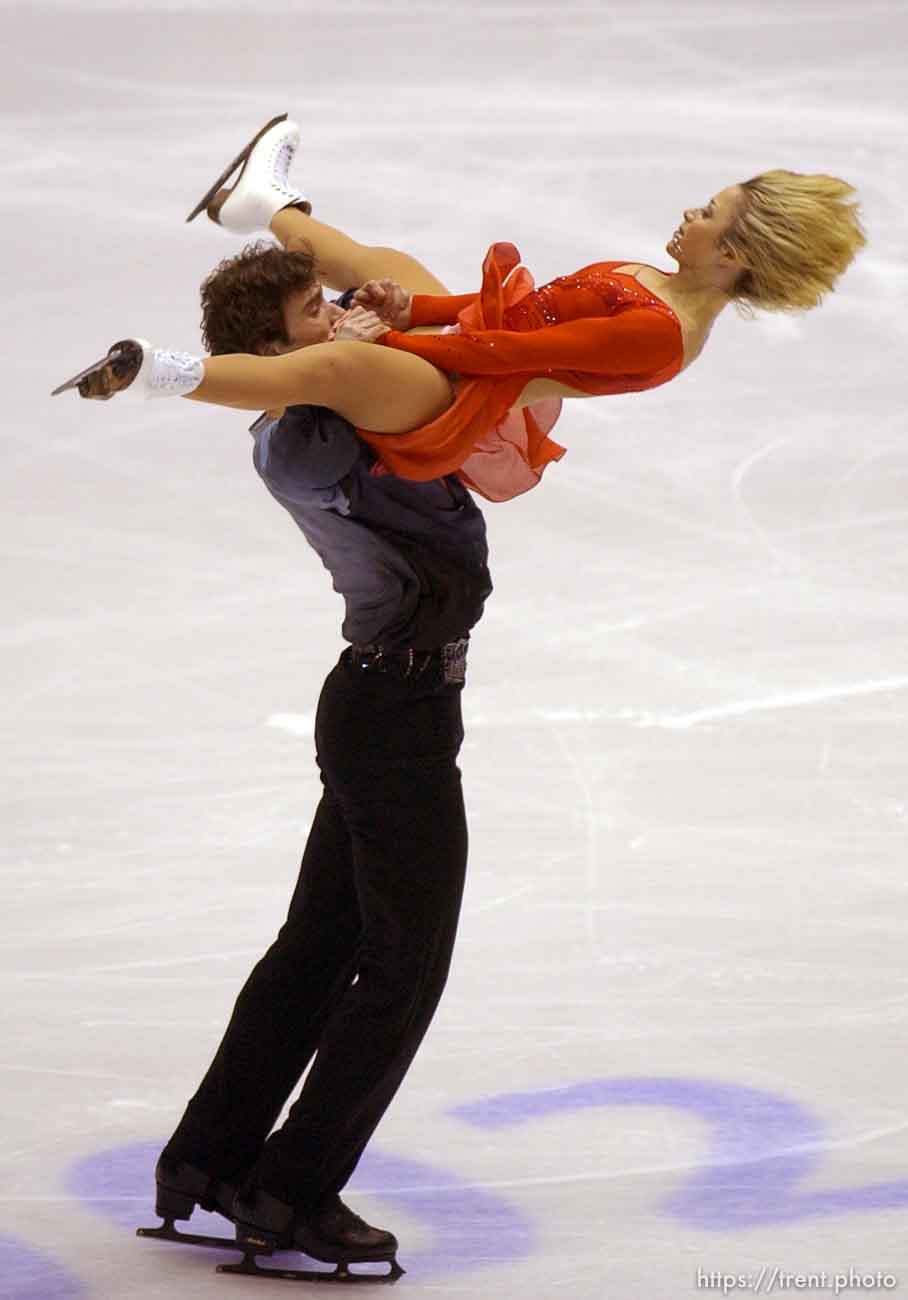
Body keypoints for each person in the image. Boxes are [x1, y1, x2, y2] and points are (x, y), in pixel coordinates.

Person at [101, 125, 494, 1283]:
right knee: (403, 962)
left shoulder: (316, 412)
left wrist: (337, 285)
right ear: (281, 356)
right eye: (312, 314)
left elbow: (386, 306)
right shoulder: (315, 432)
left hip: (377, 705)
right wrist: (179, 369)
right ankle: (292, 1187)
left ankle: (208, 1159)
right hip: (395, 718)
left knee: (318, 944)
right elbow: (374, 347)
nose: (337, 319)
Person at [58, 115, 866, 506]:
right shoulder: (646, 276)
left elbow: (505, 360)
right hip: (477, 364)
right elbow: (511, 318)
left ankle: (161, 375)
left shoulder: (662, 332)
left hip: (472, 411)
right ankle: (265, 204)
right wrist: (415, 305)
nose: (690, 214)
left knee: (348, 361)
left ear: (731, 258)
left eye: (708, 215)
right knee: (387, 268)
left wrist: (398, 342)